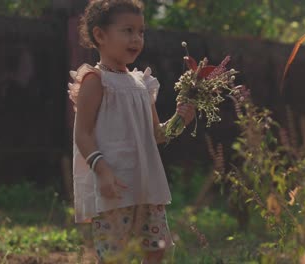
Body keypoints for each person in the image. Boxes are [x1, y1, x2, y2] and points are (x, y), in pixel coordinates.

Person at [68, 0, 195, 262]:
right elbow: (82, 134)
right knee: (115, 256)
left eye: (141, 32)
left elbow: (156, 135)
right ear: (100, 35)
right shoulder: (96, 80)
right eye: (127, 30)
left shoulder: (142, 83)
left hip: (148, 186)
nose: (136, 39)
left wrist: (180, 120)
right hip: (115, 187)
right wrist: (102, 171)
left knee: (155, 250)